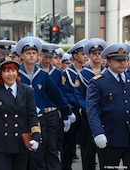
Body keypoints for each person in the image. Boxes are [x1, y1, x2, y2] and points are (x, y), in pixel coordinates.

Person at [16, 37, 73, 170]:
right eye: (28, 53)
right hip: (20, 119)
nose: (31, 56)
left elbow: (56, 95)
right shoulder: (14, 72)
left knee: (40, 153)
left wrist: (67, 112)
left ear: (38, 56)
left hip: (38, 120)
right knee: (21, 154)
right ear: (22, 56)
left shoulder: (42, 75)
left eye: (33, 53)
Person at [86, 43, 130, 170]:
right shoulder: (98, 81)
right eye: (118, 60)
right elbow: (92, 109)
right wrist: (98, 132)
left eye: (125, 60)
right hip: (110, 136)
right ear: (108, 62)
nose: (122, 63)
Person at [74, 38, 107, 170]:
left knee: (106, 149)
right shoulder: (82, 74)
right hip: (89, 116)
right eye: (94, 53)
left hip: (105, 115)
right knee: (88, 148)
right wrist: (88, 108)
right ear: (89, 55)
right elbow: (79, 95)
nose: (97, 56)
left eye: (99, 53)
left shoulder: (107, 73)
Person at [61, 39, 88, 170]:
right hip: (73, 111)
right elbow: (67, 93)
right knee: (69, 144)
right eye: (82, 54)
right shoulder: (66, 73)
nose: (85, 57)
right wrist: (78, 105)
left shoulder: (86, 72)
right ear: (75, 56)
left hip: (85, 110)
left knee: (86, 143)